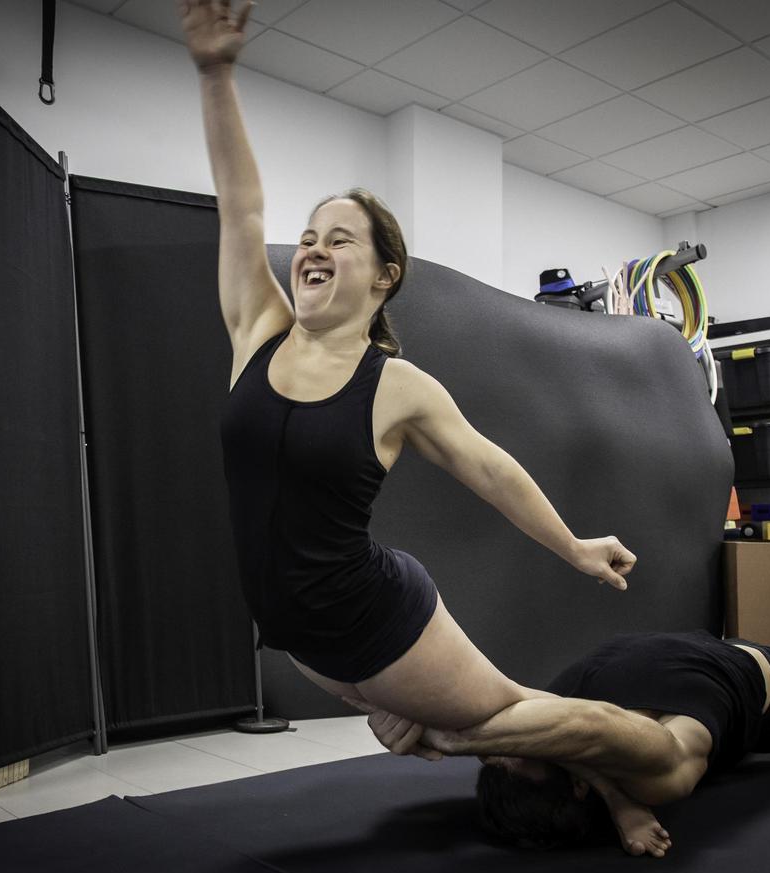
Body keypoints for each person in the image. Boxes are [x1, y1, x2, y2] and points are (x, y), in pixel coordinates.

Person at [181, 0, 637, 731]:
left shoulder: (394, 385)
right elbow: (242, 211)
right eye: (308, 237)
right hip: (305, 639)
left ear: (385, 275)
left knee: (512, 720)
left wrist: (577, 548)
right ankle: (414, 719)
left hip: (372, 617)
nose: (312, 250)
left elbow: (492, 470)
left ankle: (633, 766)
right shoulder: (257, 329)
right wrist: (214, 74)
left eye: (339, 240)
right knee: (451, 738)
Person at [351, 630, 770, 857]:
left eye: (499, 753)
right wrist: (452, 738)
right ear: (575, 778)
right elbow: (592, 729)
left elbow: (574, 742)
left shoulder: (561, 752)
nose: (508, 741)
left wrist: (397, 710)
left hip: (692, 645)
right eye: (519, 754)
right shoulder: (662, 769)